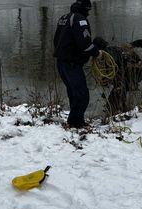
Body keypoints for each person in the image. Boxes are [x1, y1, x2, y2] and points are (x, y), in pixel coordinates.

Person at [53, 0, 101, 128]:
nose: (89, 13)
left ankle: (74, 121)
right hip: (72, 64)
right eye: (88, 10)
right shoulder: (80, 20)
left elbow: (56, 40)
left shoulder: (64, 18)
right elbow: (85, 43)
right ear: (84, 8)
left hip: (61, 62)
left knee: (73, 93)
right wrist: (96, 52)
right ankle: (76, 123)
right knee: (82, 95)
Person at [93, 37, 142, 114]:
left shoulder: (108, 53)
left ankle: (113, 109)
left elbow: (114, 66)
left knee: (120, 89)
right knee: (120, 90)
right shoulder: (110, 50)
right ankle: (116, 108)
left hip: (125, 72)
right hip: (124, 72)